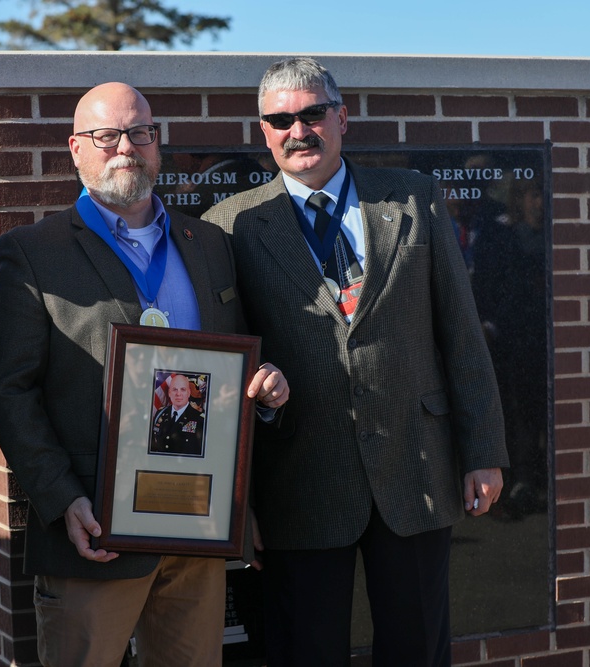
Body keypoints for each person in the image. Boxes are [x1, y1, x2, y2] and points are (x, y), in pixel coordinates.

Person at [202, 57, 510, 667]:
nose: (299, 130)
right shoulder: (230, 227)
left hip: (416, 470)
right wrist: (239, 505)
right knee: (304, 651)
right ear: (263, 131)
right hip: (299, 484)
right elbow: (224, 371)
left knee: (417, 649)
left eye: (313, 113)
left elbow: (462, 338)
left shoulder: (414, 200)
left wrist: (485, 452)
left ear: (342, 117)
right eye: (281, 119)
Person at [0, 82, 289, 667]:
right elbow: (6, 388)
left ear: (156, 143)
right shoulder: (33, 252)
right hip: (94, 530)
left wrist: (264, 386)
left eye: (141, 132)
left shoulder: (209, 245)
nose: (126, 146)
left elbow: (237, 363)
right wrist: (61, 497)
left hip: (197, 530)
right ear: (76, 148)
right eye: (107, 135)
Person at [150, 373, 206, 456]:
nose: (178, 394)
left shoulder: (199, 419)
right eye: (174, 389)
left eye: (183, 389)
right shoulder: (160, 414)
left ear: (188, 393)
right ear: (169, 393)